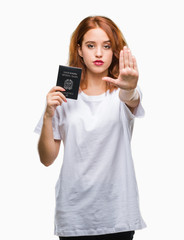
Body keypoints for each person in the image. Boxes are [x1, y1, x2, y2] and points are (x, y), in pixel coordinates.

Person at [34, 16, 146, 240]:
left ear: (114, 50)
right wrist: (48, 115)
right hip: (74, 215)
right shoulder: (64, 97)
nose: (98, 53)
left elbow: (131, 98)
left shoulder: (122, 93)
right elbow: (47, 159)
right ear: (80, 50)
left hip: (117, 215)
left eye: (106, 46)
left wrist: (130, 88)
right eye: (90, 45)